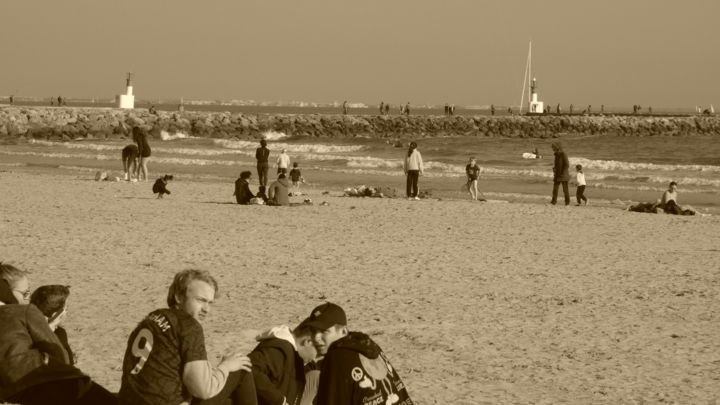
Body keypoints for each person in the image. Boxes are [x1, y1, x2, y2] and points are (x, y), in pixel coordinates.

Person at [118, 269, 257, 405]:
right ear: (178, 297)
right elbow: (202, 390)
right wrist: (225, 367)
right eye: (201, 300)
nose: (206, 309)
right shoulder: (189, 327)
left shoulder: (150, 319)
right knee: (241, 369)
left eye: (210, 303)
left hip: (128, 400)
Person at [0, 263, 117, 405]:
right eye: (25, 293)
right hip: (54, 383)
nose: (27, 298)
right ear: (7, 291)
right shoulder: (24, 311)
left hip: (17, 394)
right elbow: (59, 354)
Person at [301, 302, 413, 405]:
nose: (316, 337)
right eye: (313, 331)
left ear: (343, 331)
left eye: (324, 331)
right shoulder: (369, 346)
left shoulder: (336, 358)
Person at [248, 322, 318, 405]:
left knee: (317, 376)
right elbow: (250, 368)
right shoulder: (279, 351)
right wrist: (280, 401)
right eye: (318, 350)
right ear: (308, 342)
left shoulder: (298, 358)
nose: (315, 358)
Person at [30, 285, 75, 364]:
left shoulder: (24, 328)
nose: (67, 312)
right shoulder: (59, 335)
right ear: (58, 314)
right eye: (66, 309)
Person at [550, 141, 570, 206]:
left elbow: (567, 165)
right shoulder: (556, 155)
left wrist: (562, 172)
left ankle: (567, 202)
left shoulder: (563, 154)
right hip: (557, 175)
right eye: (552, 147)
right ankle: (553, 202)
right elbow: (556, 165)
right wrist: (554, 169)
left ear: (557, 147)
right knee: (555, 189)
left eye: (553, 147)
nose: (552, 149)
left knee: (565, 190)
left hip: (563, 175)